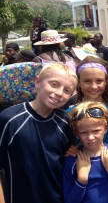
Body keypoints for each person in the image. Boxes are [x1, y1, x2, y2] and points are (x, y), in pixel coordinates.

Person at [0, 63, 78, 203]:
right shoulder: (9, 119)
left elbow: (70, 158)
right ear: (37, 82)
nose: (59, 92)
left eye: (67, 90)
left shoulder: (66, 122)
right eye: (54, 84)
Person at [64, 101, 108, 203]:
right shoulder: (72, 159)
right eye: (84, 132)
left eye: (96, 131)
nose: (90, 137)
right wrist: (82, 179)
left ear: (106, 128)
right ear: (76, 133)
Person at [68, 56, 108, 145]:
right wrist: (71, 149)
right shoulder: (70, 113)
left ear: (106, 82)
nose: (93, 86)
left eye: (99, 81)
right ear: (79, 82)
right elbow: (69, 143)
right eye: (87, 81)